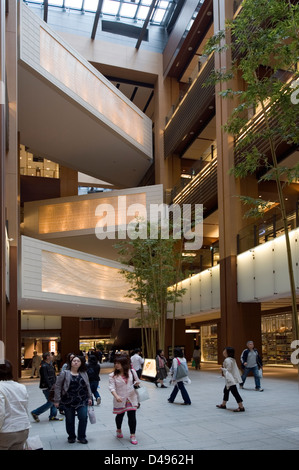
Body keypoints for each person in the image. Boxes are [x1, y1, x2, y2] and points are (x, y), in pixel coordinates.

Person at [54, 355, 92, 444]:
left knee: (83, 417)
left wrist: (90, 397)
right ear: (71, 363)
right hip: (68, 400)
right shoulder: (65, 373)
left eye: (78, 361)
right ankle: (71, 436)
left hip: (82, 399)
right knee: (70, 419)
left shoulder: (84, 373)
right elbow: (58, 386)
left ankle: (81, 436)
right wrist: (57, 400)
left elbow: (87, 386)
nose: (75, 362)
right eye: (74, 360)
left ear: (81, 363)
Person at [109, 355, 140, 445]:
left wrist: (136, 383)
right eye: (115, 363)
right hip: (120, 398)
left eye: (118, 363)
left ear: (124, 364)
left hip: (131, 397)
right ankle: (118, 429)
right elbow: (111, 388)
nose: (116, 365)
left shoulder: (132, 372)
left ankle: (133, 435)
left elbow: (136, 381)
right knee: (120, 415)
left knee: (132, 416)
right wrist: (116, 396)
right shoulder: (112, 375)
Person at [0, 360, 31, 450]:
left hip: (6, 430)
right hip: (23, 429)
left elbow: (1, 412)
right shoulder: (21, 387)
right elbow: (25, 407)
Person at [31, 352, 61, 422]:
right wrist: (50, 387)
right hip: (48, 387)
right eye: (51, 355)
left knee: (52, 401)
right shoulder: (44, 366)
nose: (52, 356)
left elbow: (53, 376)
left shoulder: (49, 365)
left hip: (51, 386)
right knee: (51, 402)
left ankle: (53, 416)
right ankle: (35, 412)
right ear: (47, 357)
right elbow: (45, 378)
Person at [216, 346, 245, 412]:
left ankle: (241, 407)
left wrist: (222, 369)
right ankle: (223, 404)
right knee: (226, 391)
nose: (223, 352)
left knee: (235, 392)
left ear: (227, 352)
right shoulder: (232, 359)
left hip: (230, 380)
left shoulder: (227, 360)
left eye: (225, 351)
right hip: (231, 379)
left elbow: (228, 370)